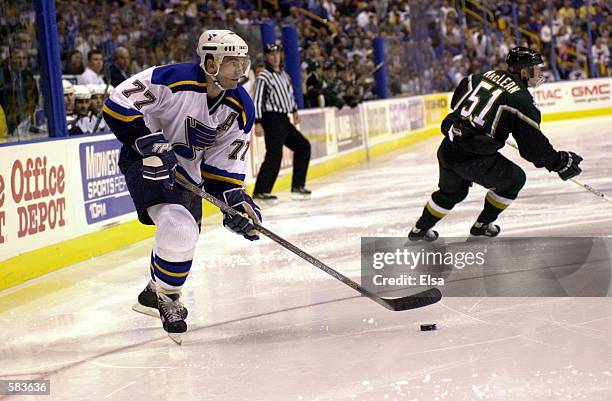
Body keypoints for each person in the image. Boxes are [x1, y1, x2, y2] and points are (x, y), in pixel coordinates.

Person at [103, 30, 259, 342]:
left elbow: (223, 169)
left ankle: (153, 292)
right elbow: (118, 102)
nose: (239, 70)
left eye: (242, 62)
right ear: (210, 63)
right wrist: (146, 141)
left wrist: (236, 202)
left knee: (184, 240)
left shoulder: (241, 107)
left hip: (189, 176)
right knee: (179, 229)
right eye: (231, 62)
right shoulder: (174, 78)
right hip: (146, 163)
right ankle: (169, 299)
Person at [408, 47, 583, 241]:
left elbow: (457, 101)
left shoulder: (480, 76)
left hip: (449, 148)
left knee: (451, 193)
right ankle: (483, 225)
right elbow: (533, 147)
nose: (540, 73)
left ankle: (419, 230)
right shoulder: (521, 99)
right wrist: (557, 161)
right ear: (524, 71)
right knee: (515, 180)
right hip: (474, 157)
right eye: (536, 68)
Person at [252, 43, 312, 202]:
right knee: (274, 154)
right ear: (266, 57)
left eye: (277, 53)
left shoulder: (285, 76)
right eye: (271, 54)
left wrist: (294, 111)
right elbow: (257, 100)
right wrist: (257, 122)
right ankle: (261, 191)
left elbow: (289, 95)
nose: (275, 57)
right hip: (271, 119)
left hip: (284, 118)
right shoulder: (263, 76)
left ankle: (298, 186)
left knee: (303, 146)